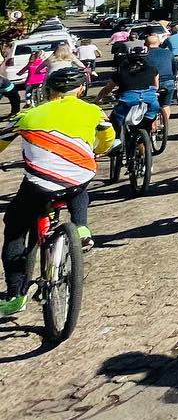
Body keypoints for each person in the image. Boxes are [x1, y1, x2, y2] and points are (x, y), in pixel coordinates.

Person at [0, 64, 114, 312]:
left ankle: (14, 296)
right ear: (81, 89)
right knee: (79, 185)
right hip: (78, 176)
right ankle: (81, 227)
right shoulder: (94, 112)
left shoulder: (28, 116)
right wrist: (94, 150)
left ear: (48, 90)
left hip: (39, 185)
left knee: (15, 229)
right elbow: (106, 140)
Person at [97, 46, 159, 137]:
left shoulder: (120, 72)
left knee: (115, 120)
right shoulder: (153, 69)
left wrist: (98, 98)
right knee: (148, 120)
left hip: (128, 101)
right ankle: (148, 135)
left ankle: (118, 143)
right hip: (150, 101)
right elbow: (156, 86)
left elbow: (108, 88)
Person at [143, 33, 177, 133]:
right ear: (159, 43)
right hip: (168, 81)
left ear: (146, 45)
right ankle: (164, 125)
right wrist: (173, 78)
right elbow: (174, 67)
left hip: (152, 83)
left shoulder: (145, 56)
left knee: (149, 105)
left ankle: (152, 127)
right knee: (166, 104)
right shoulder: (168, 53)